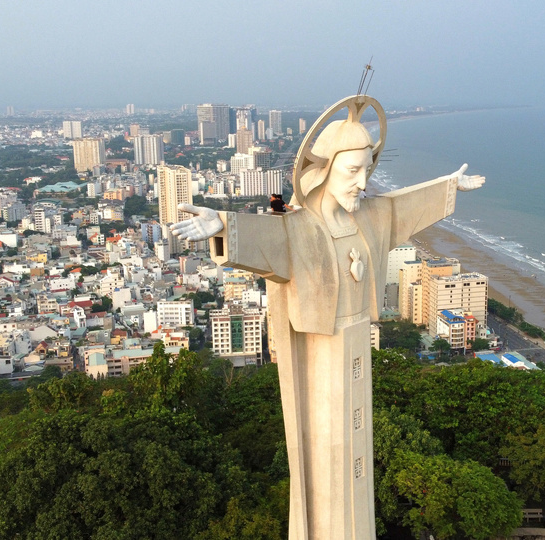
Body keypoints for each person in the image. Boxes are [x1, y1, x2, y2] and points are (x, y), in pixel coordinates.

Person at [170, 95, 484, 540]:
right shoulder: (299, 228)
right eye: (351, 171)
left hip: (356, 342)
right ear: (325, 170)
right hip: (321, 353)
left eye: (366, 170)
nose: (362, 182)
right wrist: (222, 224)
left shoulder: (371, 219)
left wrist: (449, 187)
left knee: (356, 461)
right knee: (327, 465)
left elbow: (404, 205)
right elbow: (266, 234)